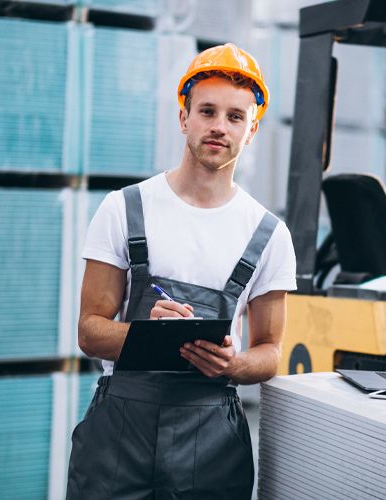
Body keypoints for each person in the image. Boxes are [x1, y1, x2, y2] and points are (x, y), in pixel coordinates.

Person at [66, 43, 297, 500]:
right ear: (183, 118)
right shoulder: (124, 209)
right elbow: (90, 332)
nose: (219, 126)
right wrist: (147, 334)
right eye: (207, 111)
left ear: (251, 130)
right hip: (119, 434)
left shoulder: (269, 234)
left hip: (210, 440)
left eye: (235, 116)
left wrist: (235, 363)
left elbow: (270, 351)